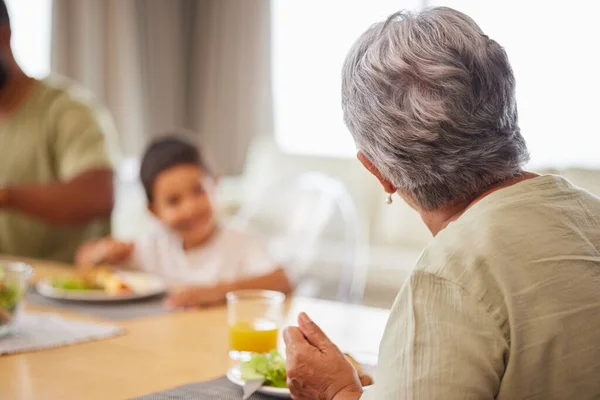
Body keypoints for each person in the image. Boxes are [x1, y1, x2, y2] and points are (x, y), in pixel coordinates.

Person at [283, 7, 600, 400]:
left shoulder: (450, 277)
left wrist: (336, 390)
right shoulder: (592, 214)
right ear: (506, 109)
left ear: (380, 172)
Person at [76, 135, 292, 308]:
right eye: (173, 201)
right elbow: (83, 260)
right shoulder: (153, 245)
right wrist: (102, 252)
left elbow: (282, 281)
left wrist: (212, 293)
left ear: (216, 185)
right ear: (153, 211)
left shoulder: (241, 240)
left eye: (199, 191)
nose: (190, 208)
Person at [0, 0, 117, 262]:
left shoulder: (68, 111)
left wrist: (7, 196)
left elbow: (98, 195)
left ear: (4, 35)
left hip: (70, 288)